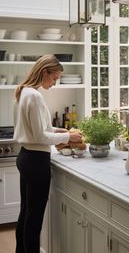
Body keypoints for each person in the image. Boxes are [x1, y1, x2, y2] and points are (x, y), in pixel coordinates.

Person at [13, 54, 82, 253]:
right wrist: (68, 138)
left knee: (26, 213)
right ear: (44, 72)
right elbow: (40, 137)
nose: (55, 83)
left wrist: (59, 131)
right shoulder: (34, 96)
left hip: (25, 157)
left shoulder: (22, 91)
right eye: (54, 78)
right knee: (34, 220)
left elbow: (37, 129)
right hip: (36, 161)